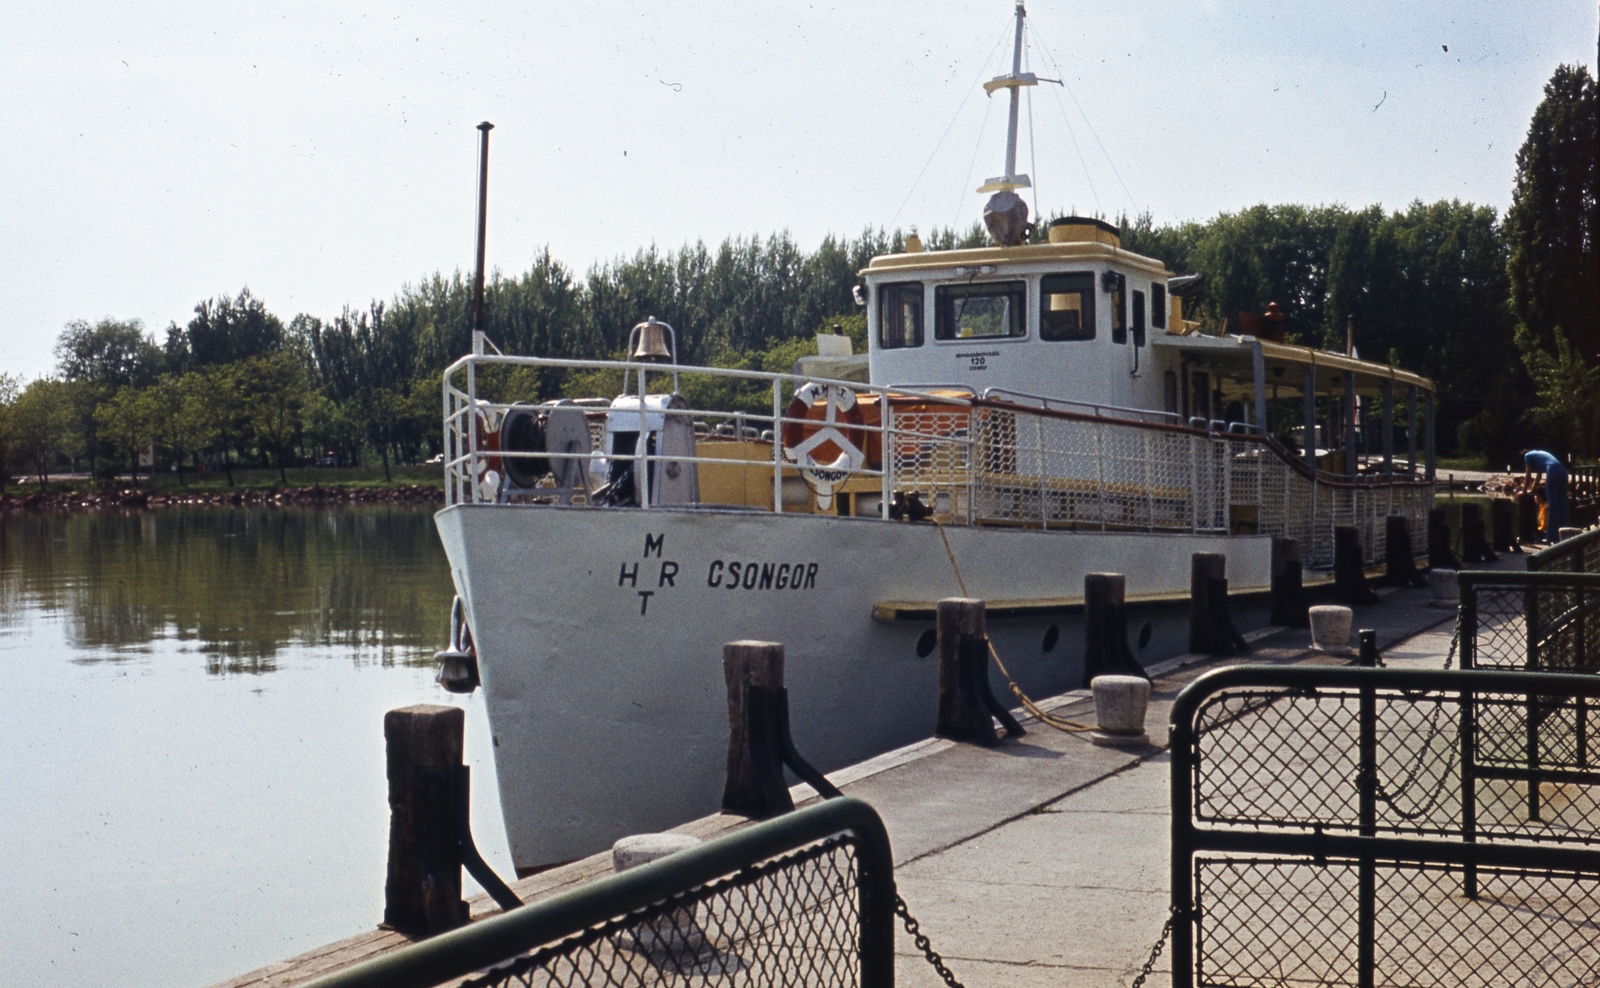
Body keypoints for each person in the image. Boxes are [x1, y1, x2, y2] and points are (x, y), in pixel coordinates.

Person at [1522, 449, 1569, 543]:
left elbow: (1528, 475)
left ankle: (1551, 537)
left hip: (1553, 471)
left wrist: (1524, 491)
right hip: (1563, 471)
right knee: (1562, 503)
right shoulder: (1539, 455)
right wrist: (1532, 491)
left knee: (1552, 505)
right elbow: (1538, 477)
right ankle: (1565, 534)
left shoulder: (1527, 456)